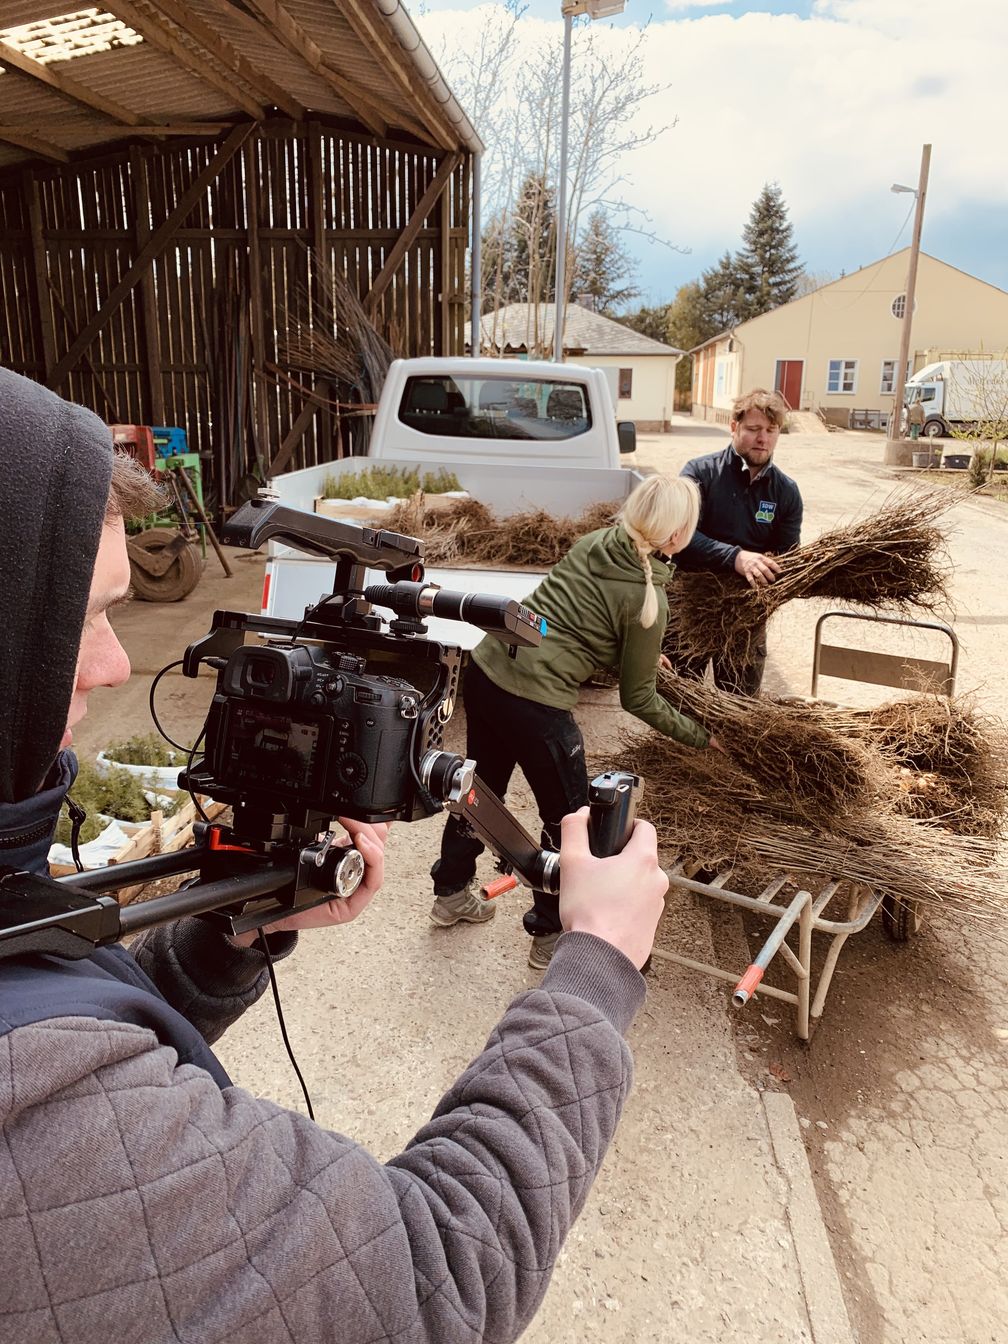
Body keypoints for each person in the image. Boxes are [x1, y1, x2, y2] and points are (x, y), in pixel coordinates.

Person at [0, 367, 670, 1344]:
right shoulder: (38, 1136)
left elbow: (58, 1006)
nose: (113, 663)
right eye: (84, 619)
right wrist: (596, 973)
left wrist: (222, 939)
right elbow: (428, 1277)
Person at [429, 473, 714, 969]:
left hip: (490, 669)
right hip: (536, 704)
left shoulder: (597, 543)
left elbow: (572, 624)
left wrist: (639, 655)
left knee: (478, 794)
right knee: (572, 822)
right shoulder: (649, 602)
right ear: (674, 536)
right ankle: (549, 935)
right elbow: (639, 699)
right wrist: (701, 738)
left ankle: (450, 893)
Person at [673, 387, 803, 695]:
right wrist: (736, 557)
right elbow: (678, 535)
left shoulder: (786, 491)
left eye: (771, 431)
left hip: (746, 615)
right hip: (690, 604)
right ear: (734, 427)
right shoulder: (698, 473)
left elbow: (787, 556)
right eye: (754, 429)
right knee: (678, 699)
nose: (763, 439)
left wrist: (777, 570)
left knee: (740, 705)